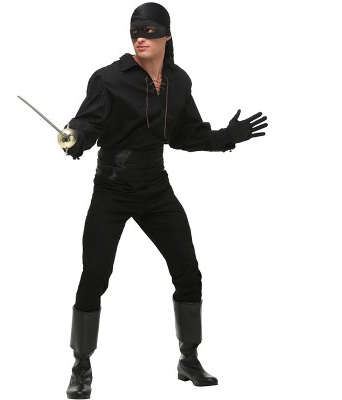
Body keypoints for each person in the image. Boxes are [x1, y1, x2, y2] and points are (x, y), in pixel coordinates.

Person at [64, 3, 268, 399]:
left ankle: (188, 359)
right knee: (95, 276)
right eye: (134, 31)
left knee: (188, 271)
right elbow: (88, 122)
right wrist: (78, 140)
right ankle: (81, 365)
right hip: (112, 189)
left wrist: (228, 137)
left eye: (149, 31)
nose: (140, 37)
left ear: (166, 35)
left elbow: (185, 136)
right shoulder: (108, 78)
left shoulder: (178, 81)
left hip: (155, 189)